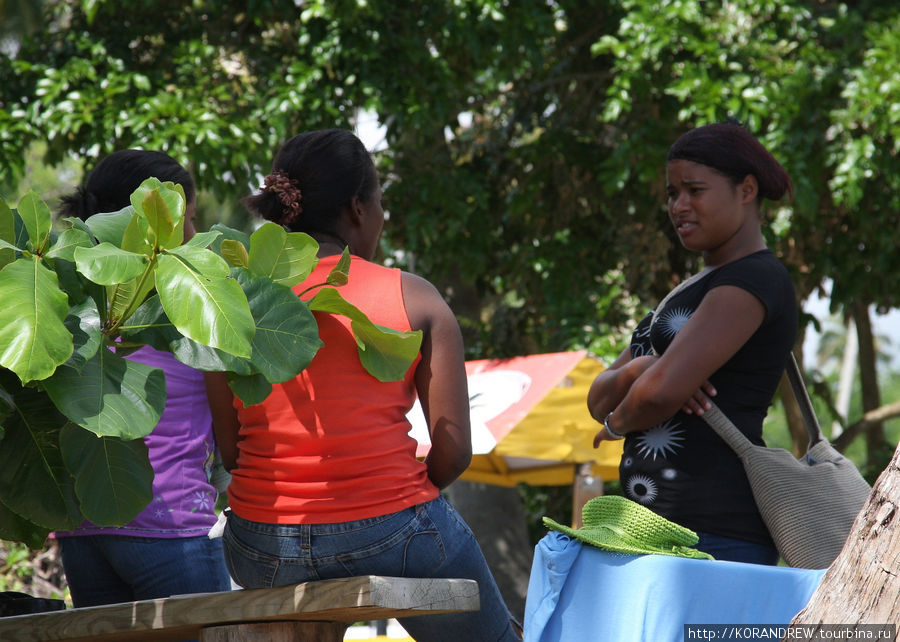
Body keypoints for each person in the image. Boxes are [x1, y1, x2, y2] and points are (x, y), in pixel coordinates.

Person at [207, 129, 520, 641]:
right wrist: (388, 505)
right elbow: (455, 451)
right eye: (380, 203)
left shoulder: (233, 304)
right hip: (393, 532)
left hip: (260, 547)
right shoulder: (415, 299)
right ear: (357, 208)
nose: (382, 217)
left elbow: (231, 452)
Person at [589, 122, 797, 565]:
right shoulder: (689, 293)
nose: (679, 206)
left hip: (714, 535)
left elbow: (658, 395)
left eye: (694, 190)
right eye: (671, 193)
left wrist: (618, 422)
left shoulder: (755, 280)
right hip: (652, 530)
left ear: (745, 190)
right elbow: (599, 395)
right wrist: (639, 371)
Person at [54, 149, 232, 606]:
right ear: (148, 223)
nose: (195, 234)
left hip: (83, 533)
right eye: (187, 219)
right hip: (172, 530)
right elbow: (234, 439)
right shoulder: (192, 312)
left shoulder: (65, 302)